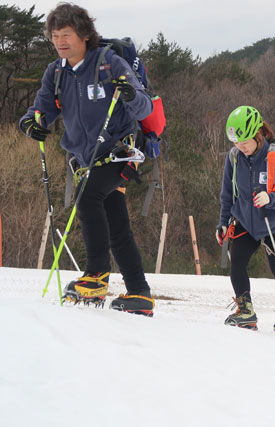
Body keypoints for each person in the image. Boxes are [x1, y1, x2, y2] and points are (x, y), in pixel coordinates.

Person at [19, 3, 155, 316]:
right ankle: (140, 294)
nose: (60, 42)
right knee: (116, 223)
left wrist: (131, 96)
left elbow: (145, 108)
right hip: (86, 159)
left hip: (120, 153)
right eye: (54, 36)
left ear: (83, 35)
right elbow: (42, 109)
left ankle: (96, 276)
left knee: (87, 196)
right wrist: (30, 123)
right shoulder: (56, 72)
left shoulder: (109, 63)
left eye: (66, 35)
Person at [217, 105, 275, 335]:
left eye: (244, 142)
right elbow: (227, 193)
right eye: (236, 143)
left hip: (274, 222)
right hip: (245, 220)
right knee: (237, 264)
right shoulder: (234, 158)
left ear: (258, 134)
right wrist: (223, 221)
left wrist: (270, 198)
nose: (240, 147)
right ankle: (245, 312)